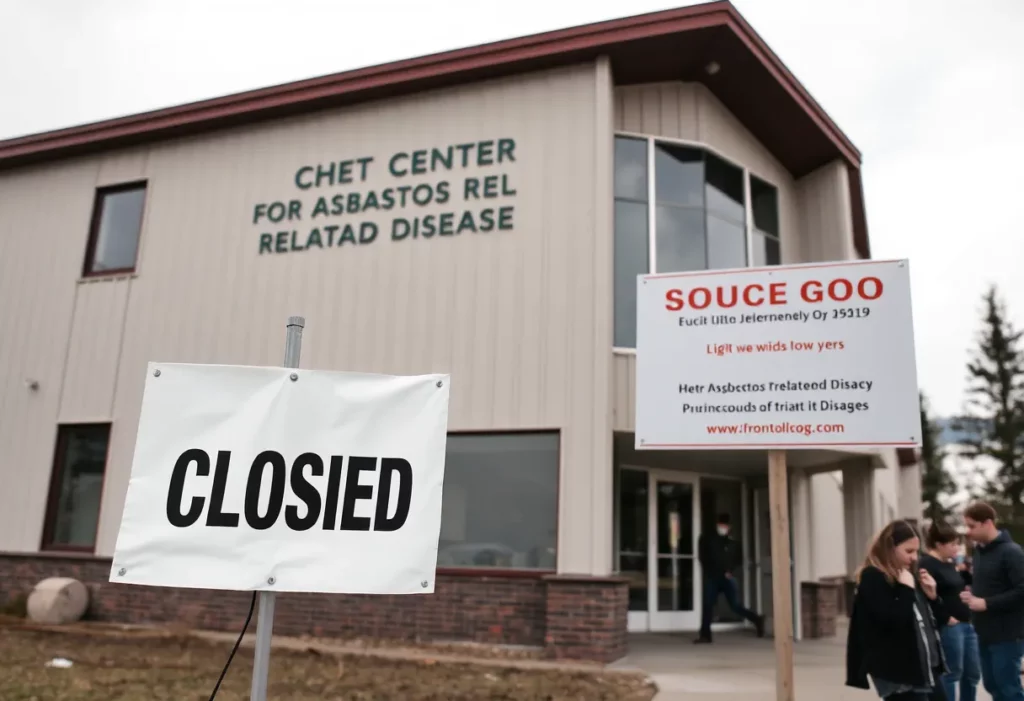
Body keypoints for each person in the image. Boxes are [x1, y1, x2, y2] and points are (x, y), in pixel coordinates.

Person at [846, 520, 948, 701]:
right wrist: (906, 590)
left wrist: (933, 597)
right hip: (899, 674)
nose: (915, 557)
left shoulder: (907, 575)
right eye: (908, 551)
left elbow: (938, 622)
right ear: (889, 549)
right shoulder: (873, 577)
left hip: (925, 668)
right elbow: (892, 621)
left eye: (916, 551)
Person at [959, 501, 1024, 701]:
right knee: (992, 685)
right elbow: (991, 585)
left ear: (987, 523)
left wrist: (987, 603)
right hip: (984, 632)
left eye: (972, 526)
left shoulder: (1012, 552)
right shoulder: (979, 552)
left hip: (1007, 634)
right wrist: (971, 594)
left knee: (1008, 689)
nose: (968, 531)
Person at [920, 520, 981, 701]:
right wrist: (946, 618)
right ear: (939, 544)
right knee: (952, 673)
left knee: (972, 674)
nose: (957, 548)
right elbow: (925, 598)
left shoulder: (948, 563)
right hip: (950, 626)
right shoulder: (927, 564)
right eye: (953, 544)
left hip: (966, 623)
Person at [693, 513, 765, 644]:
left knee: (735, 606)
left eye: (725, 526)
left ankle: (756, 619)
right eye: (721, 525)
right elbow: (703, 556)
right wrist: (708, 571)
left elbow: (738, 559)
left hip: (727, 578)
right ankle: (705, 635)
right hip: (712, 577)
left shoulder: (732, 542)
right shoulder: (708, 539)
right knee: (708, 605)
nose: (723, 527)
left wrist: (730, 571)